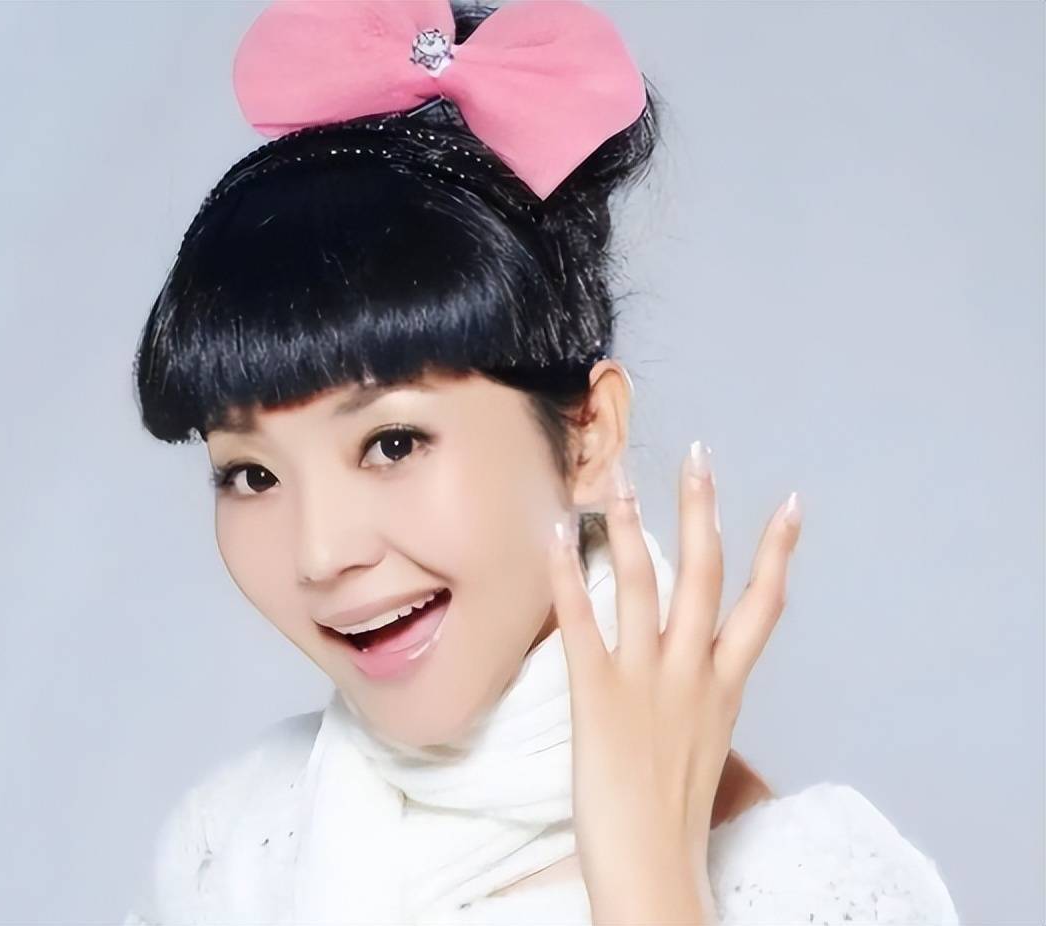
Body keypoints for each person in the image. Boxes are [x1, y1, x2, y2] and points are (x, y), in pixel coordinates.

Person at [123, 1, 959, 923]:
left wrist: (648, 876)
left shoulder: (818, 885)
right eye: (252, 474)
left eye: (392, 444)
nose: (321, 555)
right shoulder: (232, 848)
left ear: (590, 436)